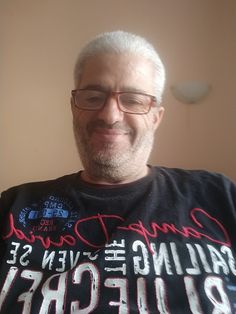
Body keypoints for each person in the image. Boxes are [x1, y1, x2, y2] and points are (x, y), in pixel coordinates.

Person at [0, 30, 236, 314]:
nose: (110, 115)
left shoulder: (220, 197)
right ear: (74, 107)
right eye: (93, 96)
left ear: (156, 117)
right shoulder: (13, 207)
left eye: (134, 100)